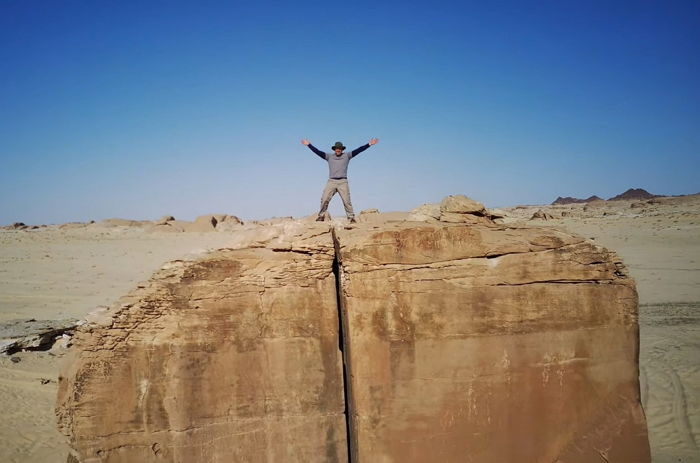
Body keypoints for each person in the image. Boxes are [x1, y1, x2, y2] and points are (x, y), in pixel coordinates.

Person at [301, 138, 379, 223]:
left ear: (342, 149)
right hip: (331, 181)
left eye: (340, 148)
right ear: (334, 149)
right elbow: (318, 152)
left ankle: (351, 217)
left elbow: (359, 150)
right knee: (324, 199)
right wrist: (309, 145)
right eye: (337, 148)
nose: (338, 150)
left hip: (343, 182)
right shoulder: (329, 156)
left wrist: (369, 144)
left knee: (347, 201)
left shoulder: (347, 156)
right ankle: (321, 216)